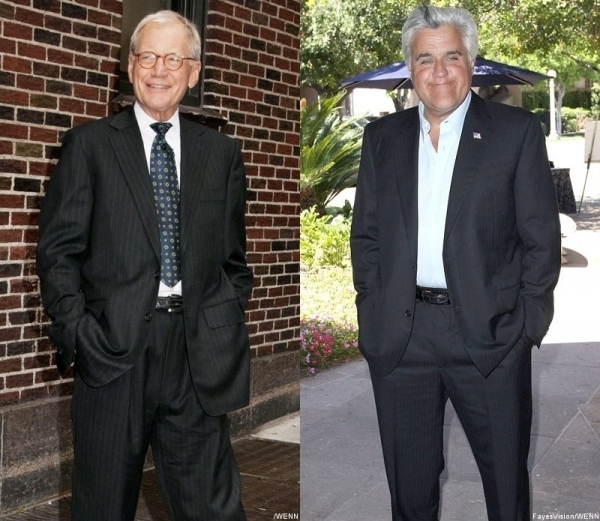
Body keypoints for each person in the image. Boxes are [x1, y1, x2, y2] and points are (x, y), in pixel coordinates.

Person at [37, 10, 252, 521]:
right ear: (131, 67)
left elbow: (234, 261)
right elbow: (57, 254)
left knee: (213, 509)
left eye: (173, 58)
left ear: (193, 71)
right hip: (113, 355)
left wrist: (219, 321)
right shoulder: (89, 146)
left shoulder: (220, 154)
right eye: (148, 56)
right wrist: (81, 334)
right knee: (103, 507)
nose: (160, 69)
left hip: (196, 358)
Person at [350, 5, 561, 521]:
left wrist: (526, 326)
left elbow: (540, 239)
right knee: (410, 490)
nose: (439, 71)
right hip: (403, 338)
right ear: (410, 68)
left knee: (505, 485)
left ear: (470, 61)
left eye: (451, 57)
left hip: (490, 335)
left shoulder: (515, 133)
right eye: (425, 59)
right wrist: (371, 311)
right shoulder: (384, 139)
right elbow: (367, 237)